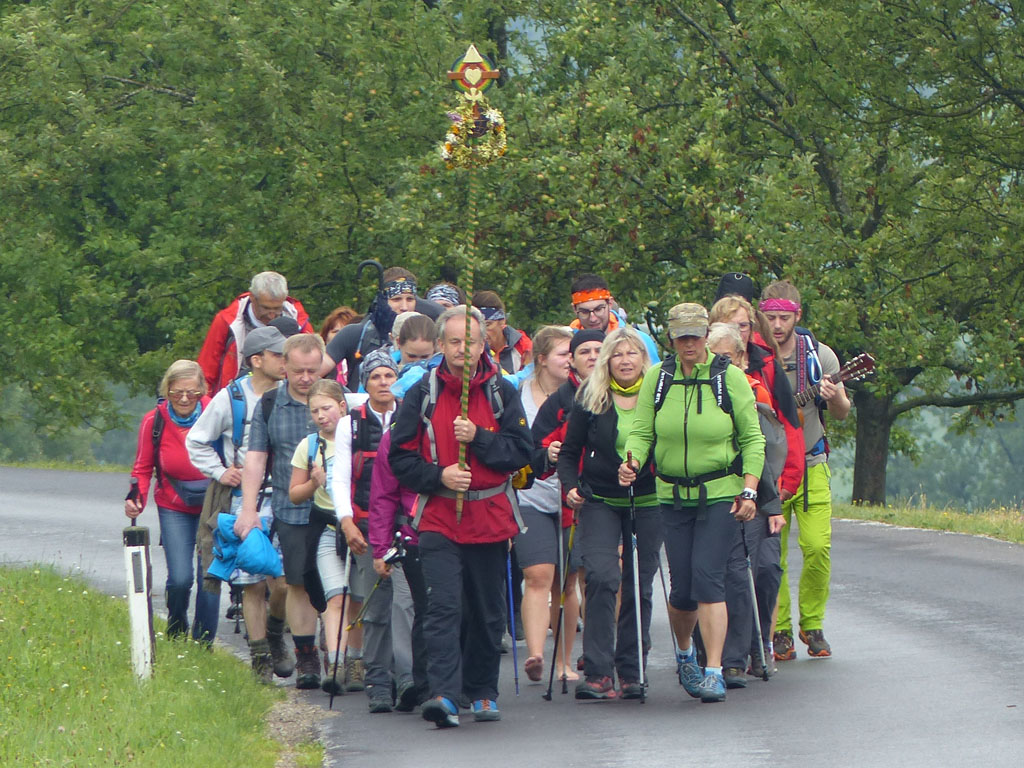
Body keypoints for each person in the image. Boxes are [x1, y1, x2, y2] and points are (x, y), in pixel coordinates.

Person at [389, 306, 533, 728]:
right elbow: (399, 457)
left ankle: (483, 692)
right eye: (453, 342)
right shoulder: (422, 393)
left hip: (489, 516)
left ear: (483, 343)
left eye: (469, 342)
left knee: (488, 611)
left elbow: (521, 451)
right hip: (438, 519)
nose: (462, 351)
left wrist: (480, 438)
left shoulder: (502, 391)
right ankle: (444, 695)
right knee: (442, 608)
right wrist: (439, 476)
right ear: (440, 346)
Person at [620, 303, 765, 703]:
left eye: (695, 336)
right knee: (682, 589)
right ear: (671, 338)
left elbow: (753, 438)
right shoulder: (658, 378)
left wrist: (749, 489)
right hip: (670, 494)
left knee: (708, 578)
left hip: (719, 492)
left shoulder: (730, 378)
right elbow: (642, 430)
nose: (689, 343)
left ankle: (714, 670)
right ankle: (686, 652)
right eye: (681, 336)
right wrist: (632, 459)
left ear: (705, 336)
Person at [558, 328, 662, 700]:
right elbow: (570, 452)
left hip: (648, 501)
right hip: (599, 499)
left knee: (639, 582)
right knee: (602, 577)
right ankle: (598, 671)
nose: (625, 360)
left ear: (643, 360)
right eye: (617, 355)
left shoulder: (659, 397)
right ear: (607, 362)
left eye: (632, 353)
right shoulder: (591, 397)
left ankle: (632, 669)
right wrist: (570, 486)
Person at [186, 326, 294, 681]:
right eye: (279, 355)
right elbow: (197, 440)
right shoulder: (231, 398)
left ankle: (276, 632)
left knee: (282, 582)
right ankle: (260, 655)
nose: (285, 361)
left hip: (289, 493)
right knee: (251, 581)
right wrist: (220, 472)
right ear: (256, 360)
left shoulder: (293, 393)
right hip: (246, 498)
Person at [760, 280, 851, 660]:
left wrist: (834, 397)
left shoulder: (820, 356)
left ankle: (812, 624)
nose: (777, 325)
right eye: (770, 317)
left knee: (817, 546)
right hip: (768, 470)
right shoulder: (753, 356)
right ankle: (779, 630)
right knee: (771, 553)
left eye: (784, 317)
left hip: (811, 460)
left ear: (798, 315)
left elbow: (843, 413)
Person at [234, 333, 324, 688]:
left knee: (334, 586)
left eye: (312, 371)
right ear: (284, 367)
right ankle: (306, 658)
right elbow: (255, 459)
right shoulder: (269, 405)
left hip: (336, 511)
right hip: (292, 509)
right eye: (299, 371)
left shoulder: (337, 401)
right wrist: (249, 509)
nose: (305, 378)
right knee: (296, 584)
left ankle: (345, 658)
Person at [706, 323, 787, 688]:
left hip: (748, 495)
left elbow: (766, 456)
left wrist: (771, 506)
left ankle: (737, 658)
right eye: (715, 357)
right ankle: (709, 652)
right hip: (703, 495)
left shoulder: (754, 398)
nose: (722, 364)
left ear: (741, 358)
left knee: (744, 573)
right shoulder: (690, 393)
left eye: (729, 357)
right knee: (710, 573)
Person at [125, 360, 218, 642]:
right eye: (177, 393)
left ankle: (204, 642)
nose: (185, 399)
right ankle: (177, 627)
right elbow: (142, 467)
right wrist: (135, 497)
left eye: (192, 392)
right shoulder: (154, 421)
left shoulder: (217, 412)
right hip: (173, 504)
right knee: (180, 578)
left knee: (209, 577)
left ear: (202, 389)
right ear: (167, 391)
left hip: (213, 505)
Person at [332, 348, 401, 710]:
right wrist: (346, 522)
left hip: (405, 523)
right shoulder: (351, 423)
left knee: (406, 605)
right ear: (366, 383)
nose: (383, 382)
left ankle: (405, 676)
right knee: (374, 605)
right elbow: (340, 477)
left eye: (388, 375)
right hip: (363, 522)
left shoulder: (409, 415)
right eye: (375, 377)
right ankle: (377, 680)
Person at [512, 326, 578, 685]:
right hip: (531, 495)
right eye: (563, 354)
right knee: (538, 575)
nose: (570, 360)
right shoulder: (518, 397)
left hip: (571, 497)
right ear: (541, 359)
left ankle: (564, 661)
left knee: (567, 583)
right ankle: (536, 653)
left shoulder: (582, 396)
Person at [287, 379, 360, 695]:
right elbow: (294, 495)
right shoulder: (309, 446)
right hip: (327, 526)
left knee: (356, 599)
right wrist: (315, 482)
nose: (321, 416)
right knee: (336, 596)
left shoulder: (359, 438)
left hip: (360, 526)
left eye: (326, 408)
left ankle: (356, 661)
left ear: (342, 407)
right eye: (314, 411)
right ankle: (337, 660)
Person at [321, 266, 442, 385]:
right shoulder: (355, 334)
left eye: (410, 299)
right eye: (396, 299)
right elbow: (313, 372)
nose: (404, 307)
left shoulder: (429, 334)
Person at [198, 271, 313, 394]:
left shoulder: (300, 324)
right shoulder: (227, 322)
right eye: (266, 308)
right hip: (237, 398)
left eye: (277, 308)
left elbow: (315, 367)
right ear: (252, 297)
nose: (272, 315)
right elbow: (206, 372)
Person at [568, 273, 660, 363]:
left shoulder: (640, 340)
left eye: (599, 309)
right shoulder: (567, 343)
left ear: (610, 303)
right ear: (574, 309)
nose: (593, 318)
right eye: (584, 312)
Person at [472, 290, 533, 374]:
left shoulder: (524, 347)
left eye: (487, 325)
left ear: (502, 321)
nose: (482, 331)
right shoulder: (470, 350)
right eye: (476, 326)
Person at [320, 306, 362, 386]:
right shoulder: (320, 363)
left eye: (344, 332)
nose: (340, 336)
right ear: (326, 335)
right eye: (335, 331)